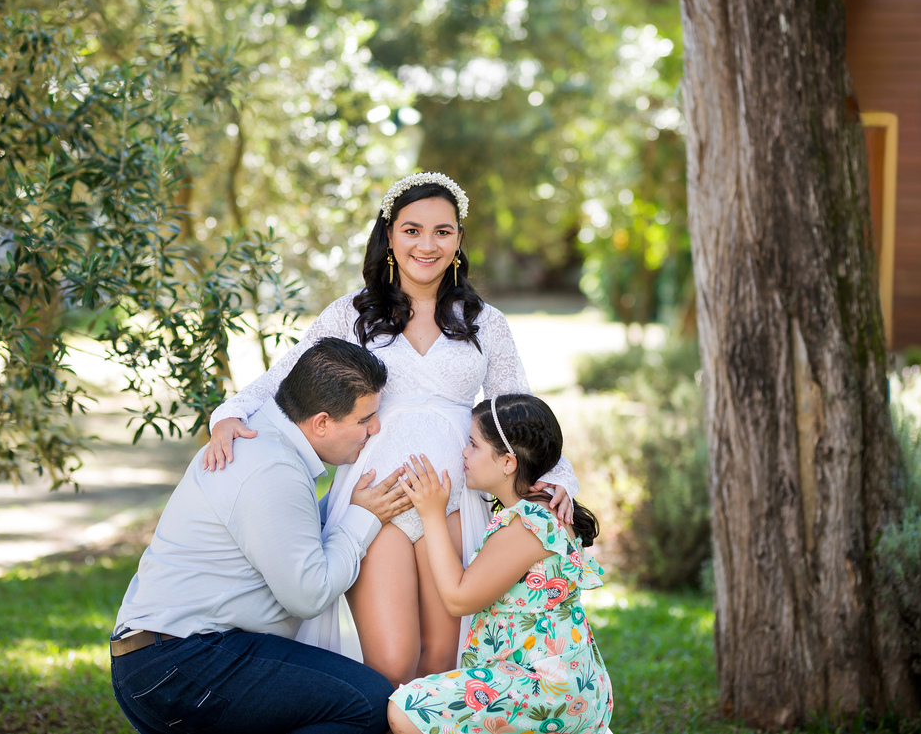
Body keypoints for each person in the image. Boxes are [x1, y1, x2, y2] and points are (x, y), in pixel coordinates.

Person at [203, 172, 582, 686]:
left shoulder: (485, 323)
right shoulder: (350, 315)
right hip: (374, 500)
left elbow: (516, 409)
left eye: (442, 232)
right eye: (412, 230)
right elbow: (284, 377)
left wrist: (557, 476)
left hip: (451, 500)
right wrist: (228, 413)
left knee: (441, 667)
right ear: (389, 236)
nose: (427, 245)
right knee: (390, 666)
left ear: (458, 240)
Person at [110, 337, 414, 734]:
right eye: (364, 420)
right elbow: (310, 594)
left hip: (168, 659)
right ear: (321, 422)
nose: (373, 430)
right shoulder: (271, 466)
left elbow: (288, 538)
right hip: (183, 662)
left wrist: (351, 509)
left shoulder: (268, 445)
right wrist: (363, 518)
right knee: (366, 702)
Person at [389, 393, 613, 734]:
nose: (464, 452)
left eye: (473, 445)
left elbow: (458, 599)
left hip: (546, 685)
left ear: (508, 462)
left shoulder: (529, 523)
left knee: (404, 709)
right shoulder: (537, 509)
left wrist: (432, 513)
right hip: (560, 676)